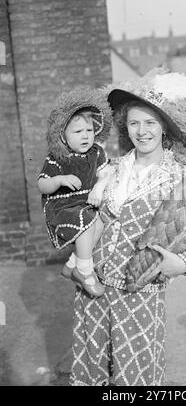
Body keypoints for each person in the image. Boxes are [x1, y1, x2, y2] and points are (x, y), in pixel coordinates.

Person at [69, 71, 186, 386]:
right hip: (92, 289)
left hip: (140, 293)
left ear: (164, 127)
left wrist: (179, 264)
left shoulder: (182, 175)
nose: (142, 131)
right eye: (135, 123)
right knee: (91, 371)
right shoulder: (111, 168)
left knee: (135, 376)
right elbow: (91, 219)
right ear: (126, 126)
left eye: (151, 123)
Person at [38, 89, 112, 297]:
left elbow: (104, 173)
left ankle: (73, 264)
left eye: (89, 130)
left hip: (84, 202)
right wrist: (59, 180)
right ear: (63, 136)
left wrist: (99, 186)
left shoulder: (96, 153)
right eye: (77, 132)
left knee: (99, 221)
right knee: (86, 218)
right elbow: (42, 185)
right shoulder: (58, 158)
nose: (85, 136)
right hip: (61, 205)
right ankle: (85, 271)